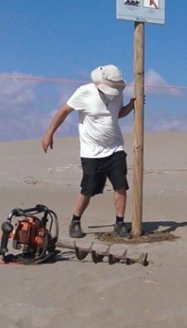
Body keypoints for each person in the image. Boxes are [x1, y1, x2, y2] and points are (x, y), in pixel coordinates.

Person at [41, 64, 136, 239]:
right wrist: (49, 134)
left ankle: (120, 223)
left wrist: (130, 106)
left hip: (115, 147)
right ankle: (75, 222)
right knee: (88, 189)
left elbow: (116, 114)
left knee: (121, 186)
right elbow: (64, 111)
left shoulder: (117, 93)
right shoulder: (84, 92)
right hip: (91, 152)